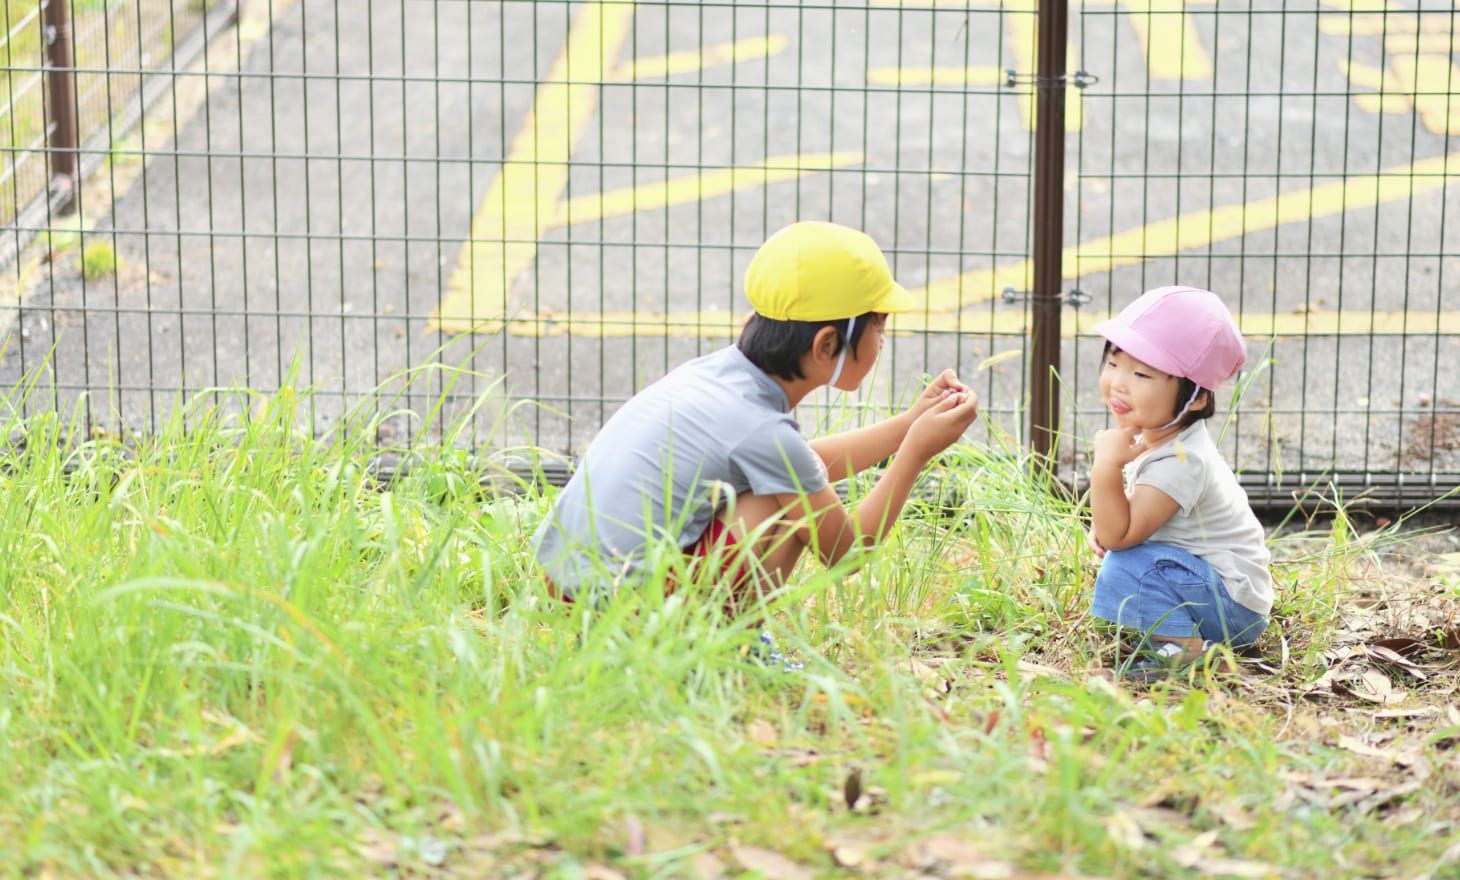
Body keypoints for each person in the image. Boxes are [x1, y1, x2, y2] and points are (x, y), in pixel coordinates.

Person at [532, 221, 981, 616]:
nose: (883, 341)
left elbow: (803, 464)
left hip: (570, 581)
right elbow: (845, 552)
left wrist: (909, 423)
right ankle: (730, 648)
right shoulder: (762, 431)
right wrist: (917, 450)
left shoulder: (717, 376)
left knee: (785, 488)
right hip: (611, 603)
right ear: (827, 346)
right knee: (780, 506)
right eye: (879, 329)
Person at [1085, 285, 1272, 680]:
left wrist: (1104, 468)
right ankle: (1177, 641)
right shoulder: (1159, 439)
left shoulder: (1182, 461)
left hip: (1232, 609)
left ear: (1197, 398)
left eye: (1141, 373)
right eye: (1113, 363)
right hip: (1216, 590)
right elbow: (1126, 522)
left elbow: (1121, 537)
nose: (1119, 383)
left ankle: (1190, 657)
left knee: (1124, 564)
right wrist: (1106, 525)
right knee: (1124, 561)